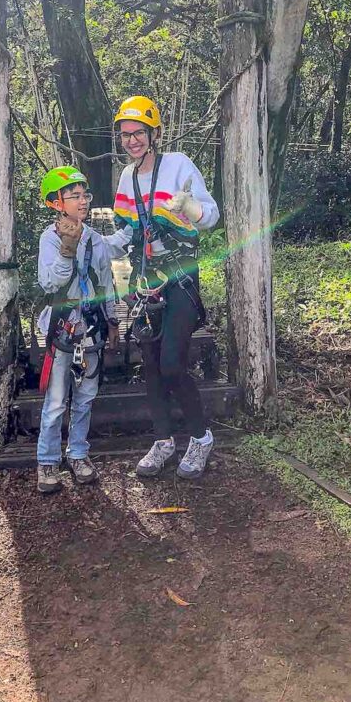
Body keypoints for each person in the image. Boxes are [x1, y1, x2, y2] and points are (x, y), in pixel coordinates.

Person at [112, 95, 220, 480]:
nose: (132, 141)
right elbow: (126, 232)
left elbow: (211, 216)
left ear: (153, 133)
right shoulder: (127, 177)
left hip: (181, 279)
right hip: (147, 281)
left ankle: (201, 437)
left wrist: (190, 208)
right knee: (153, 367)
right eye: (125, 135)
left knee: (173, 362)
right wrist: (107, 256)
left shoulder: (178, 165)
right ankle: (163, 440)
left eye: (138, 133)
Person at [36, 165, 120, 495]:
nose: (83, 201)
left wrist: (111, 320)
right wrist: (66, 251)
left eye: (85, 195)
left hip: (91, 326)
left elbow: (104, 282)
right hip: (62, 326)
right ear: (56, 203)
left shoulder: (96, 240)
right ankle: (47, 460)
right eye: (74, 196)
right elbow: (49, 282)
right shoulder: (50, 238)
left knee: (85, 396)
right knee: (57, 400)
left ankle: (79, 453)